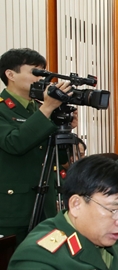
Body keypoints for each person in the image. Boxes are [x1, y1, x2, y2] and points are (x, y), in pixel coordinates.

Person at [0, 48, 72, 245]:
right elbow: (14, 143)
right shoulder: (4, 109)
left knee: (46, 258)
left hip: (45, 205)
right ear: (10, 74)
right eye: (36, 72)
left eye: (44, 73)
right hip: (13, 208)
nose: (42, 79)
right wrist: (47, 108)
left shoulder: (38, 109)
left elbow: (60, 159)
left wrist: (65, 128)